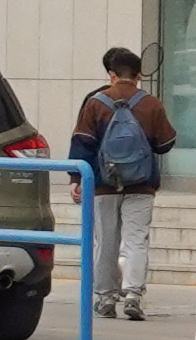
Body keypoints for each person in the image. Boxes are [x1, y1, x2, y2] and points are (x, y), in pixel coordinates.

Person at [67, 48, 178, 323]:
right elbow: (165, 143)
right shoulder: (151, 104)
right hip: (141, 185)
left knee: (106, 242)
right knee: (136, 240)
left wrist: (76, 179)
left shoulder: (95, 103)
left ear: (112, 75)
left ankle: (106, 298)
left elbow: (82, 143)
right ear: (139, 75)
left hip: (103, 184)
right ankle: (133, 296)